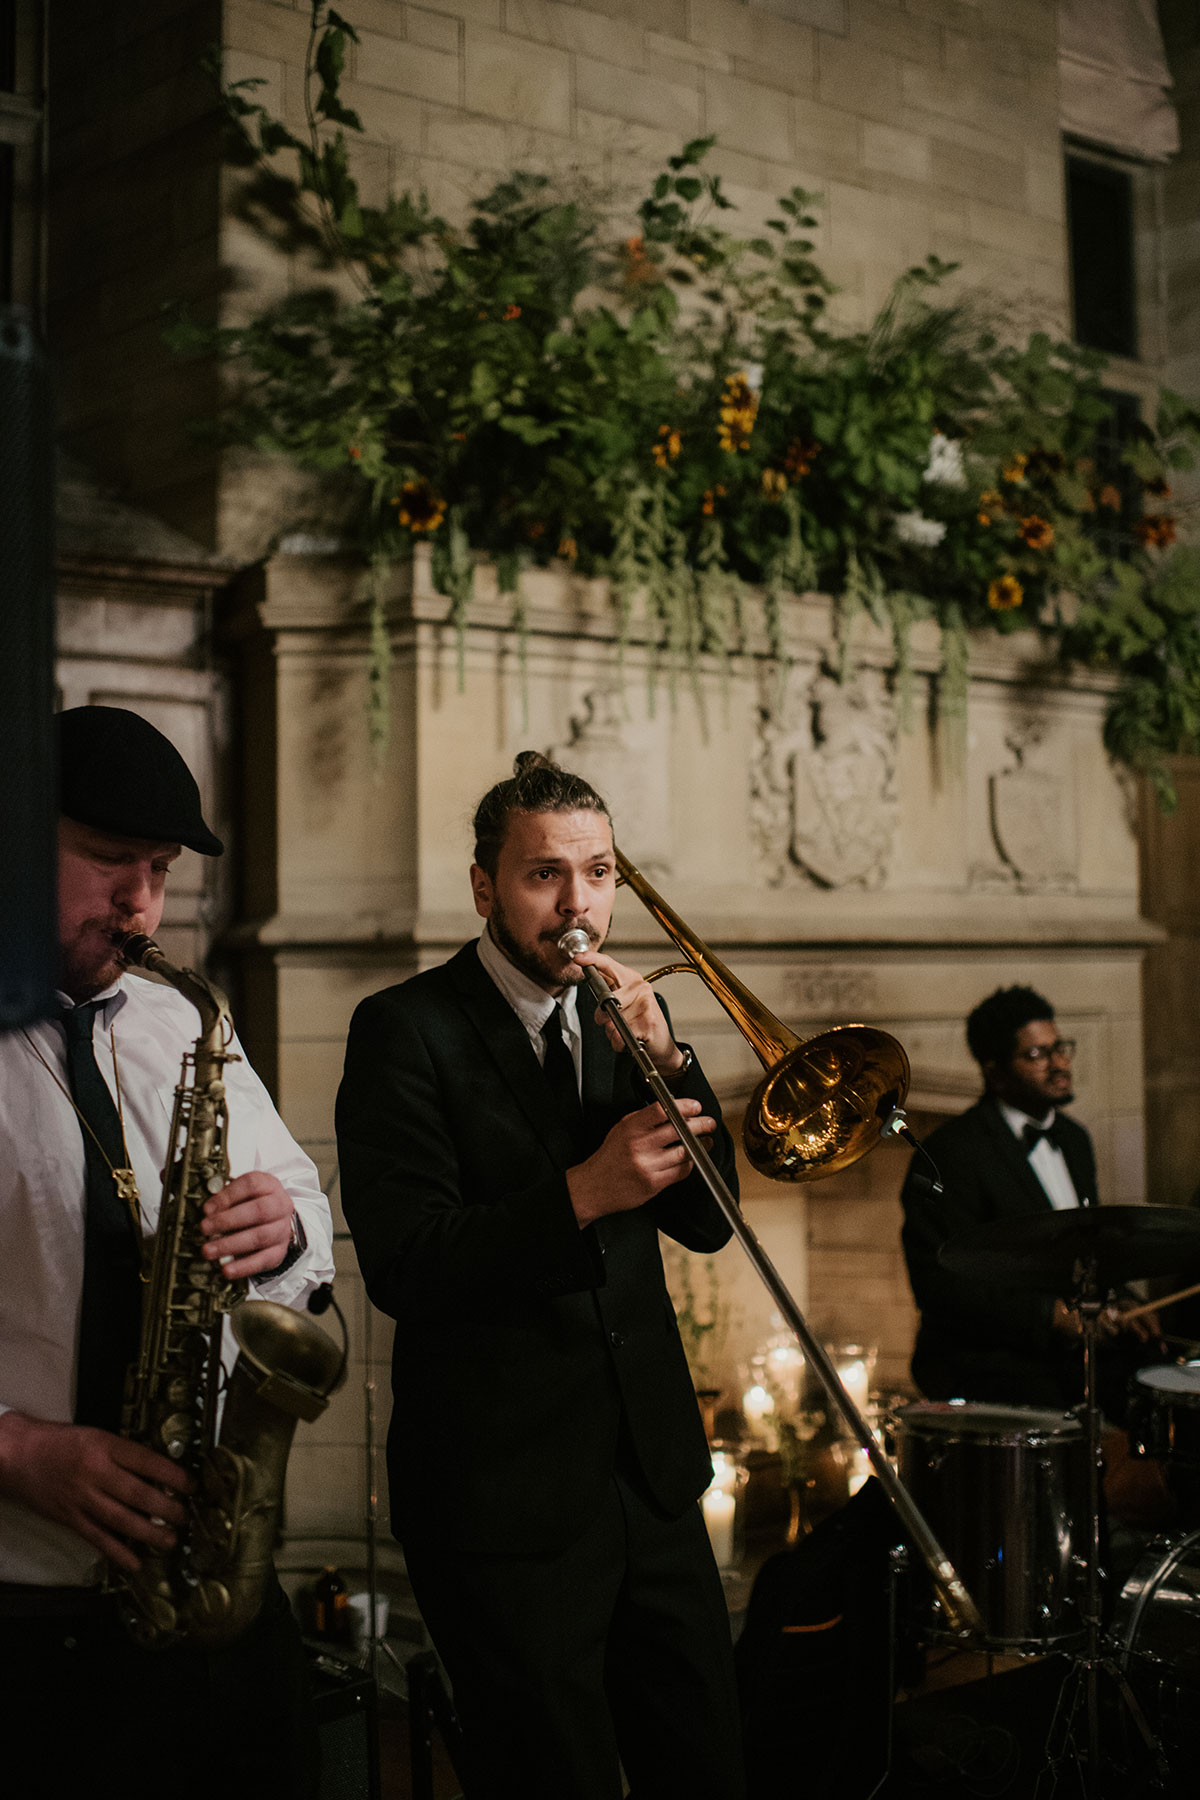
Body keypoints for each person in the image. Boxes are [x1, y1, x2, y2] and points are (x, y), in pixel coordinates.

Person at [336, 753, 746, 1800]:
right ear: (485, 888)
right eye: (545, 875)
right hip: (503, 1504)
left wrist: (675, 1060)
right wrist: (583, 1192)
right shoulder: (405, 1029)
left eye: (600, 873)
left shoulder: (625, 1022)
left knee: (705, 1766)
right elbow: (405, 1262)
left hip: (649, 1484)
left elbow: (709, 1222)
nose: (580, 906)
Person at [0, 705, 335, 1800]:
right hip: (24, 1610)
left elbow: (302, 1204)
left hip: (212, 1590)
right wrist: (18, 1453)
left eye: (160, 867)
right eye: (106, 860)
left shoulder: (184, 1020)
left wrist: (280, 1229)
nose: (141, 900)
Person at [900, 984, 1157, 1413]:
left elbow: (1086, 1248)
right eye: (1037, 1055)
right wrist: (1048, 1316)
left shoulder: (1074, 1139)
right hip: (989, 1358)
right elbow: (939, 1284)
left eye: (1060, 1048)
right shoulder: (949, 1155)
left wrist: (1123, 1298)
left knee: (1159, 1375)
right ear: (994, 1070)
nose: (1059, 1064)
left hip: (1067, 1353)